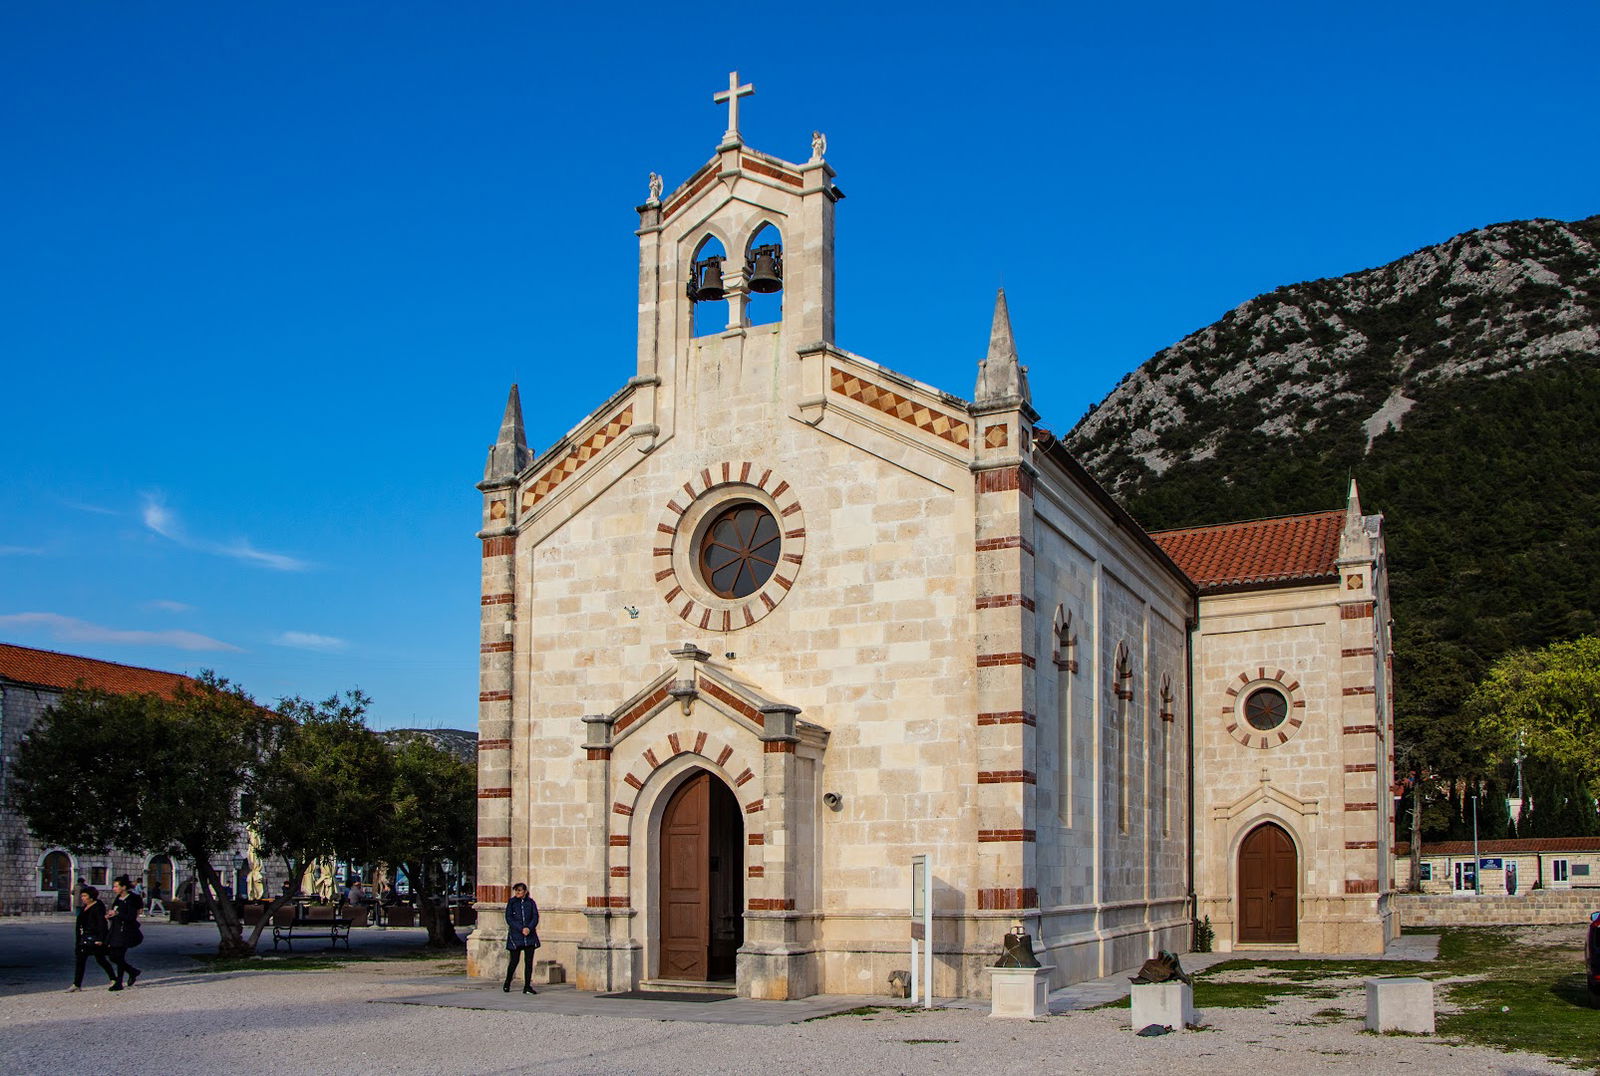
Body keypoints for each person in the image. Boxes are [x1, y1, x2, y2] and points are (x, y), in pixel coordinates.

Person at [69, 886, 114, 992]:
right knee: (82, 960)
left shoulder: (97, 907)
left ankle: (114, 978)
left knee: (100, 959)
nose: (82, 898)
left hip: (93, 939)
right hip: (84, 937)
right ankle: (77, 984)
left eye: (85, 896)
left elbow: (102, 924)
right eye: (82, 896)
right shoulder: (85, 907)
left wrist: (100, 939)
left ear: (91, 897)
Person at [104, 874, 143, 991]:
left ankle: (119, 982)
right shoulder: (118, 899)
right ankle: (132, 971)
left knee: (119, 955)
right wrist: (110, 916)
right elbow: (115, 911)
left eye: (116, 886)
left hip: (126, 931)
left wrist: (118, 914)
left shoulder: (130, 900)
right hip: (115, 930)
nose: (114, 889)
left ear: (124, 887)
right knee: (113, 956)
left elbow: (131, 916)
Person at [502, 883, 540, 995]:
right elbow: (509, 918)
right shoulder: (512, 903)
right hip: (516, 936)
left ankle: (527, 986)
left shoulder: (531, 902)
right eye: (516, 891)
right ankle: (507, 982)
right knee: (514, 961)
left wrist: (529, 927)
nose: (517, 893)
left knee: (528, 962)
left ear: (525, 891)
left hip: (529, 936)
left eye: (520, 891)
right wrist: (521, 928)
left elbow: (535, 916)